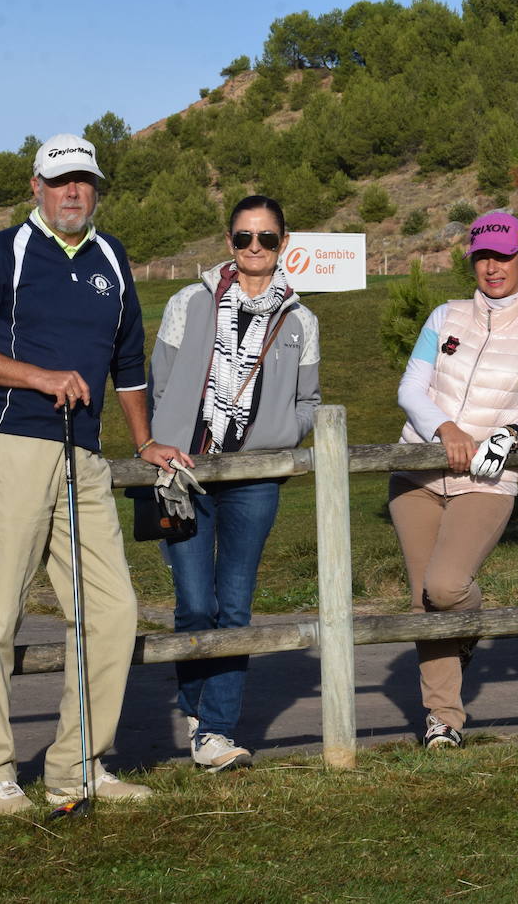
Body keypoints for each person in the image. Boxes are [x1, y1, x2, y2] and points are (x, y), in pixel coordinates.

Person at [0, 133, 185, 814]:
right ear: (36, 188)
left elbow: (129, 363)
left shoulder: (112, 258)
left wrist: (146, 440)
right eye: (60, 181)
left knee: (113, 612)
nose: (73, 192)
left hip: (86, 453)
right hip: (8, 443)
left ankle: (79, 768)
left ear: (96, 188)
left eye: (84, 180)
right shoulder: (1, 253)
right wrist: (38, 376)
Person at [147, 195, 320, 772]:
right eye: (244, 238)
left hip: (253, 479)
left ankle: (215, 730)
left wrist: (279, 435)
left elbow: (309, 401)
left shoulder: (300, 320)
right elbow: (159, 384)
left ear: (282, 245)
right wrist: (163, 438)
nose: (254, 248)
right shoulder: (187, 302)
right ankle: (197, 707)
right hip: (183, 475)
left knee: (236, 605)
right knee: (195, 605)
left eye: (266, 239)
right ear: (229, 242)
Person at [390, 211, 518, 748]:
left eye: (505, 256)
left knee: (447, 588)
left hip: (487, 481)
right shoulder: (444, 316)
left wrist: (512, 433)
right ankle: (443, 721)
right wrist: (444, 427)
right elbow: (410, 390)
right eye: (484, 257)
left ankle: (467, 623)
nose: (494, 268)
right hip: (416, 472)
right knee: (425, 602)